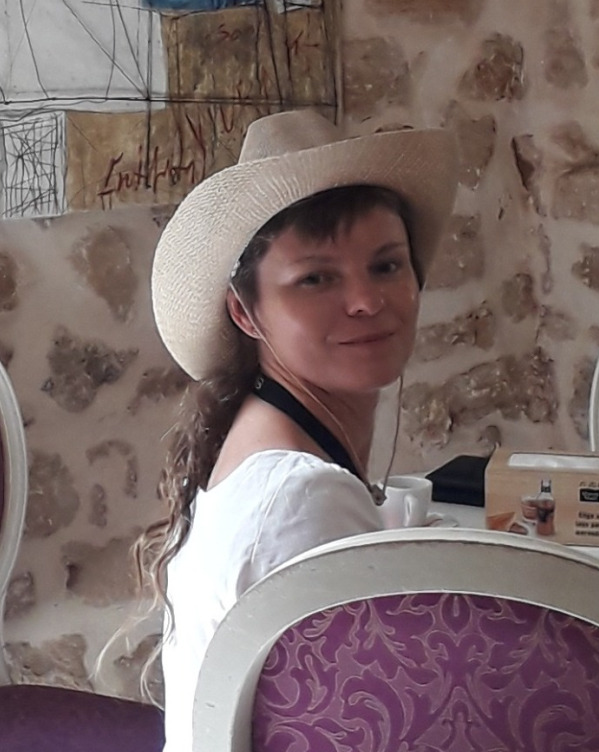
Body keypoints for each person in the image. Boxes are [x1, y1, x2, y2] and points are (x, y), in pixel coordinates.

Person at [141, 108, 458, 752]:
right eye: (315, 278)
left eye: (386, 266)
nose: (366, 301)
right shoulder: (302, 496)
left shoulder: (262, 433)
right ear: (245, 312)